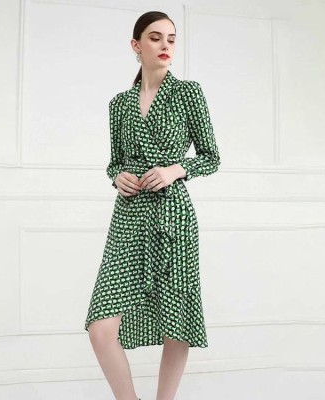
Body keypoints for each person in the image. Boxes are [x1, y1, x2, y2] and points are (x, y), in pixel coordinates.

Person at [84, 10, 221, 400]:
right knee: (101, 327)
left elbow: (211, 156)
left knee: (176, 321)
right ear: (136, 45)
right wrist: (117, 176)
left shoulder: (188, 93)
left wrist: (175, 169)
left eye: (171, 39)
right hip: (129, 218)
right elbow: (114, 162)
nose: (165, 46)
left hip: (173, 215)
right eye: (156, 37)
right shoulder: (120, 104)